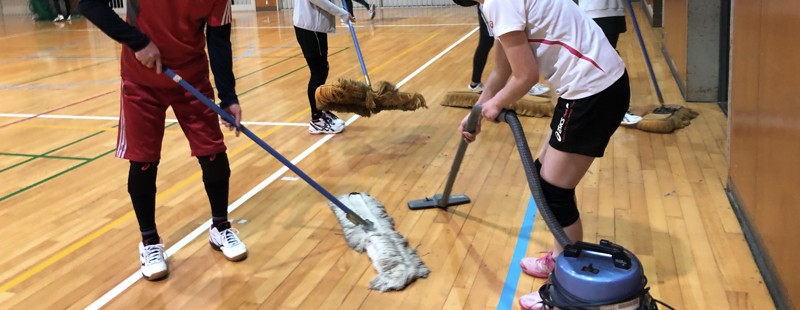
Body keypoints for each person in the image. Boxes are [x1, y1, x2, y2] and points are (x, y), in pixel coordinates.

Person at [452, 0, 630, 308]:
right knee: (545, 177)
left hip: (593, 90)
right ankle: (561, 259)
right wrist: (478, 110)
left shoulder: (498, 3)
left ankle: (562, 292)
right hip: (583, 88)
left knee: (553, 193)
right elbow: (501, 70)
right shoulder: (492, 4)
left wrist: (495, 106)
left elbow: (525, 76)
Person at [78, 0, 248, 281]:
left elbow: (218, 41)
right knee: (143, 162)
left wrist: (228, 97)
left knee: (213, 153)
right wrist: (138, 42)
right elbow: (88, 4)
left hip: (191, 80)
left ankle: (220, 227)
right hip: (140, 81)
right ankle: (149, 242)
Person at [579, 0, 642, 125]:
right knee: (602, 64)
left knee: (609, 61)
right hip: (594, 11)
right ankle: (612, 111)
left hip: (614, 10)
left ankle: (610, 110)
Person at [294, 0, 353, 134]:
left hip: (314, 26)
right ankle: (317, 119)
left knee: (322, 69)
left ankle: (320, 109)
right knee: (318, 72)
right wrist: (342, 13)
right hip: (309, 27)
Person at [467, 7, 550, 97]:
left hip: (500, 6)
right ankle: (475, 84)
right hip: (492, 6)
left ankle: (475, 84)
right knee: (489, 41)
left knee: (497, 41)